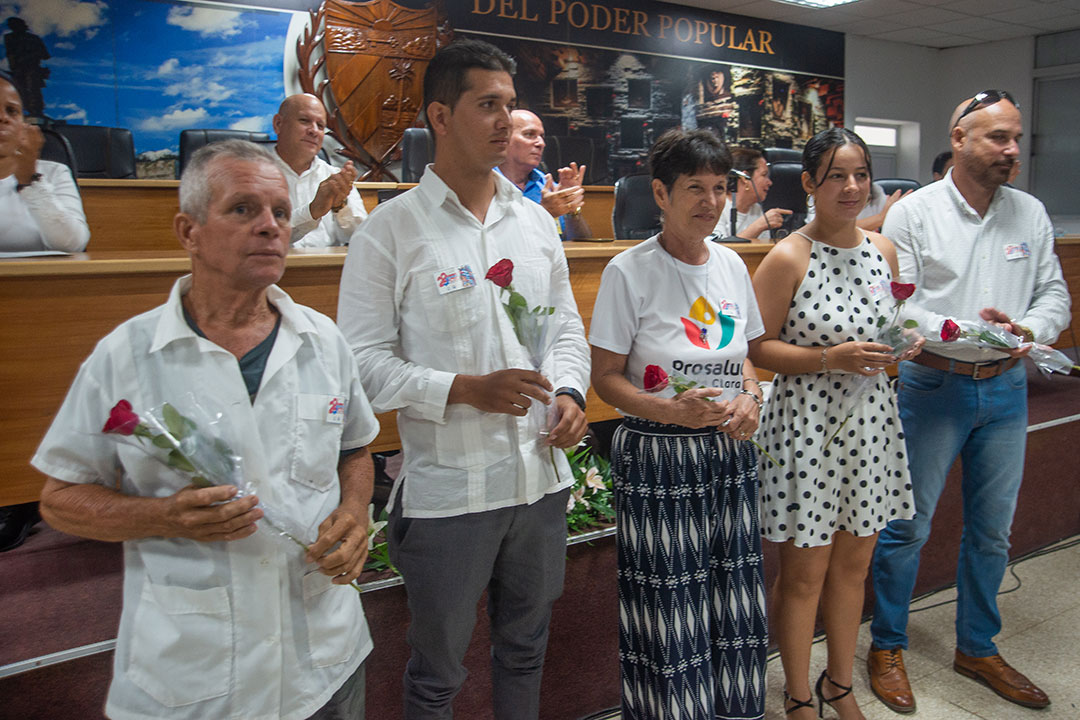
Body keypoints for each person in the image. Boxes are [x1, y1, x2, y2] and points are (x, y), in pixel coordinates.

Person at [33, 140, 379, 720]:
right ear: (188, 231)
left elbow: (357, 450)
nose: (271, 227)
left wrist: (355, 511)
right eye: (243, 209)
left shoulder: (323, 340)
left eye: (279, 211)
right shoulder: (126, 355)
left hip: (324, 663)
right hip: (196, 678)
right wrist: (162, 516)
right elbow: (60, 498)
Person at [337, 39, 590, 719]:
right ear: (440, 116)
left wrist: (568, 391)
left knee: (525, 649)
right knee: (437, 674)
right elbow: (359, 365)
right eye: (488, 105)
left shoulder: (537, 224)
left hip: (538, 481)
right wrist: (462, 389)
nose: (506, 120)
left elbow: (565, 328)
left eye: (510, 104)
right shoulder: (390, 232)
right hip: (451, 495)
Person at [869, 90, 1069, 714]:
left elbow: (1053, 292)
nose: (1012, 150)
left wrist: (1029, 330)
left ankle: (977, 647)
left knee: (991, 533)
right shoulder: (914, 214)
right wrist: (963, 332)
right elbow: (895, 306)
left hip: (1006, 391)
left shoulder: (1030, 214)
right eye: (997, 138)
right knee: (909, 526)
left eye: (1015, 136)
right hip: (934, 388)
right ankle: (888, 644)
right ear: (959, 138)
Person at [590, 128, 768, 720]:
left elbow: (744, 354)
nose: (711, 202)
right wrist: (671, 411)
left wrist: (751, 397)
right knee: (669, 604)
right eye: (696, 188)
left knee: (733, 601)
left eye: (720, 188)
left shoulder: (733, 266)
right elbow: (606, 379)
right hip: (659, 456)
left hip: (728, 452)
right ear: (661, 194)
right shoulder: (628, 271)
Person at [748, 128, 921, 720]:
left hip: (871, 423)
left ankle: (838, 684)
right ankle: (797, 694)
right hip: (806, 427)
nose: (852, 188)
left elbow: (885, 330)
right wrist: (830, 358)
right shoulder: (788, 256)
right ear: (810, 184)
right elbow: (757, 349)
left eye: (860, 175)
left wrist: (902, 346)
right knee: (805, 572)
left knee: (853, 566)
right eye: (837, 177)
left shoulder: (883, 251)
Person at [0, 72, 89, 252]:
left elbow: (72, 245)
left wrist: (30, 181)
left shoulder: (54, 172)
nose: (3, 117)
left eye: (12, 111)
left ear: (24, 125)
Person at [273, 93, 367, 247]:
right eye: (304, 121)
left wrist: (340, 207)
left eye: (321, 126)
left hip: (327, 268)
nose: (314, 131)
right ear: (278, 124)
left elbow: (363, 237)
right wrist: (312, 211)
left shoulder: (335, 177)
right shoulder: (254, 175)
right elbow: (259, 235)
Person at [496, 108, 592, 240]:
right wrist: (545, 212)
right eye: (529, 134)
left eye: (542, 136)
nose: (541, 143)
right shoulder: (484, 184)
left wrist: (572, 210)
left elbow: (581, 243)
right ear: (504, 138)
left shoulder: (547, 184)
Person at [713, 147, 791, 241]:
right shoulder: (717, 206)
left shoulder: (756, 210)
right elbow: (719, 249)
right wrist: (758, 225)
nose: (770, 182)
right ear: (745, 178)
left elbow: (760, 249)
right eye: (764, 175)